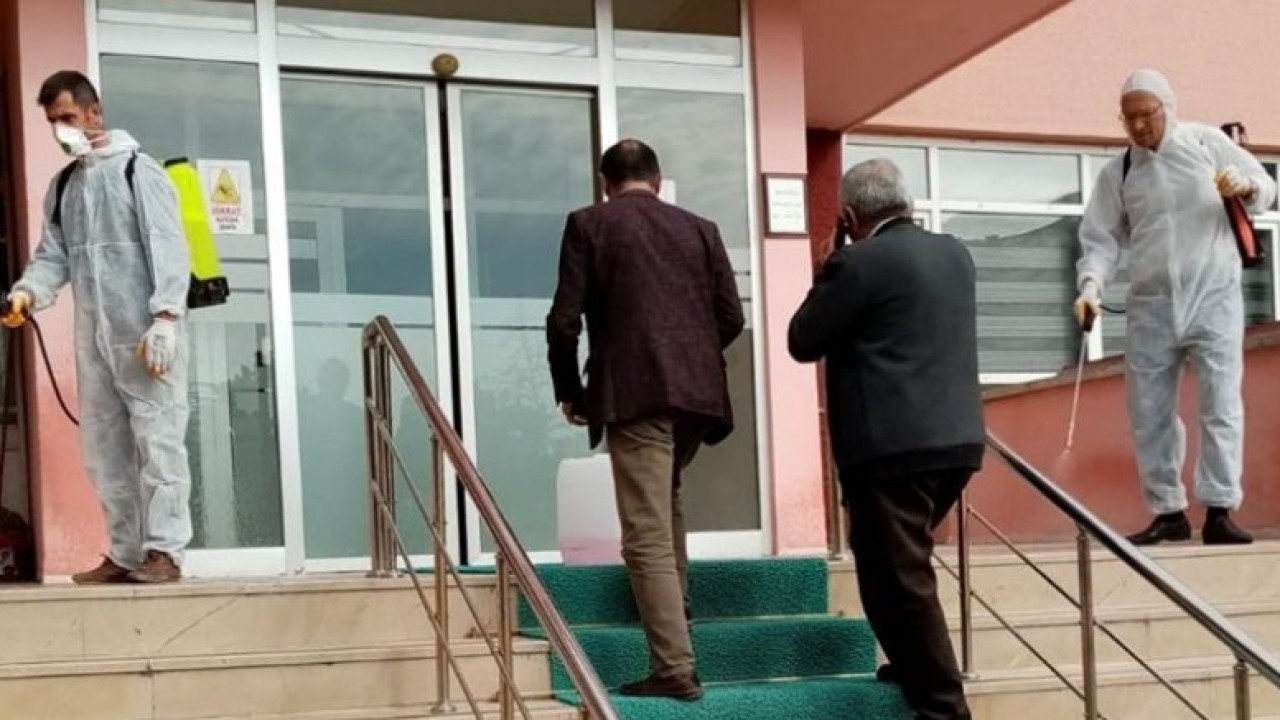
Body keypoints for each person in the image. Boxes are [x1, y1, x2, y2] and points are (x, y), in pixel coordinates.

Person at [546, 138, 744, 701]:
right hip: (697, 398)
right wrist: (690, 357)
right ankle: (677, 614)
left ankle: (674, 667)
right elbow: (730, 316)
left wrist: (572, 391)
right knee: (667, 501)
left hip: (635, 393)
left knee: (646, 534)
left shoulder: (589, 224)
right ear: (657, 180)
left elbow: (564, 322)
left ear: (606, 184)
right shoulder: (701, 229)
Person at [789, 158, 982, 720]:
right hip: (956, 443)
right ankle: (912, 665)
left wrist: (826, 269)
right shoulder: (955, 254)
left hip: (891, 450)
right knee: (883, 566)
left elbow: (803, 339)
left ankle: (945, 708)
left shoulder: (856, 263)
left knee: (902, 575)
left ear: (849, 217)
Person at [5, 70, 192, 583]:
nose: (61, 129)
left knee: (159, 443)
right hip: (96, 342)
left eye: (68, 117)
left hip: (146, 336)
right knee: (105, 450)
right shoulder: (64, 186)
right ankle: (126, 553)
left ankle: (165, 552)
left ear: (94, 113)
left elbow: (169, 247)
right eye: (52, 121)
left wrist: (165, 318)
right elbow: (53, 256)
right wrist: (28, 291)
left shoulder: (138, 171)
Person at [1074, 69, 1275, 546]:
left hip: (1214, 295)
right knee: (1148, 410)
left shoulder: (1206, 143)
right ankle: (1168, 512)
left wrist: (1246, 186)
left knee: (1220, 403)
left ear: (1167, 107)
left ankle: (1220, 509)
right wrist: (1090, 287)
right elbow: (1100, 238)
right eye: (1129, 118)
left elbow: (1267, 188)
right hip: (1151, 304)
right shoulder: (1120, 172)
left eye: (1147, 114)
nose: (1139, 126)